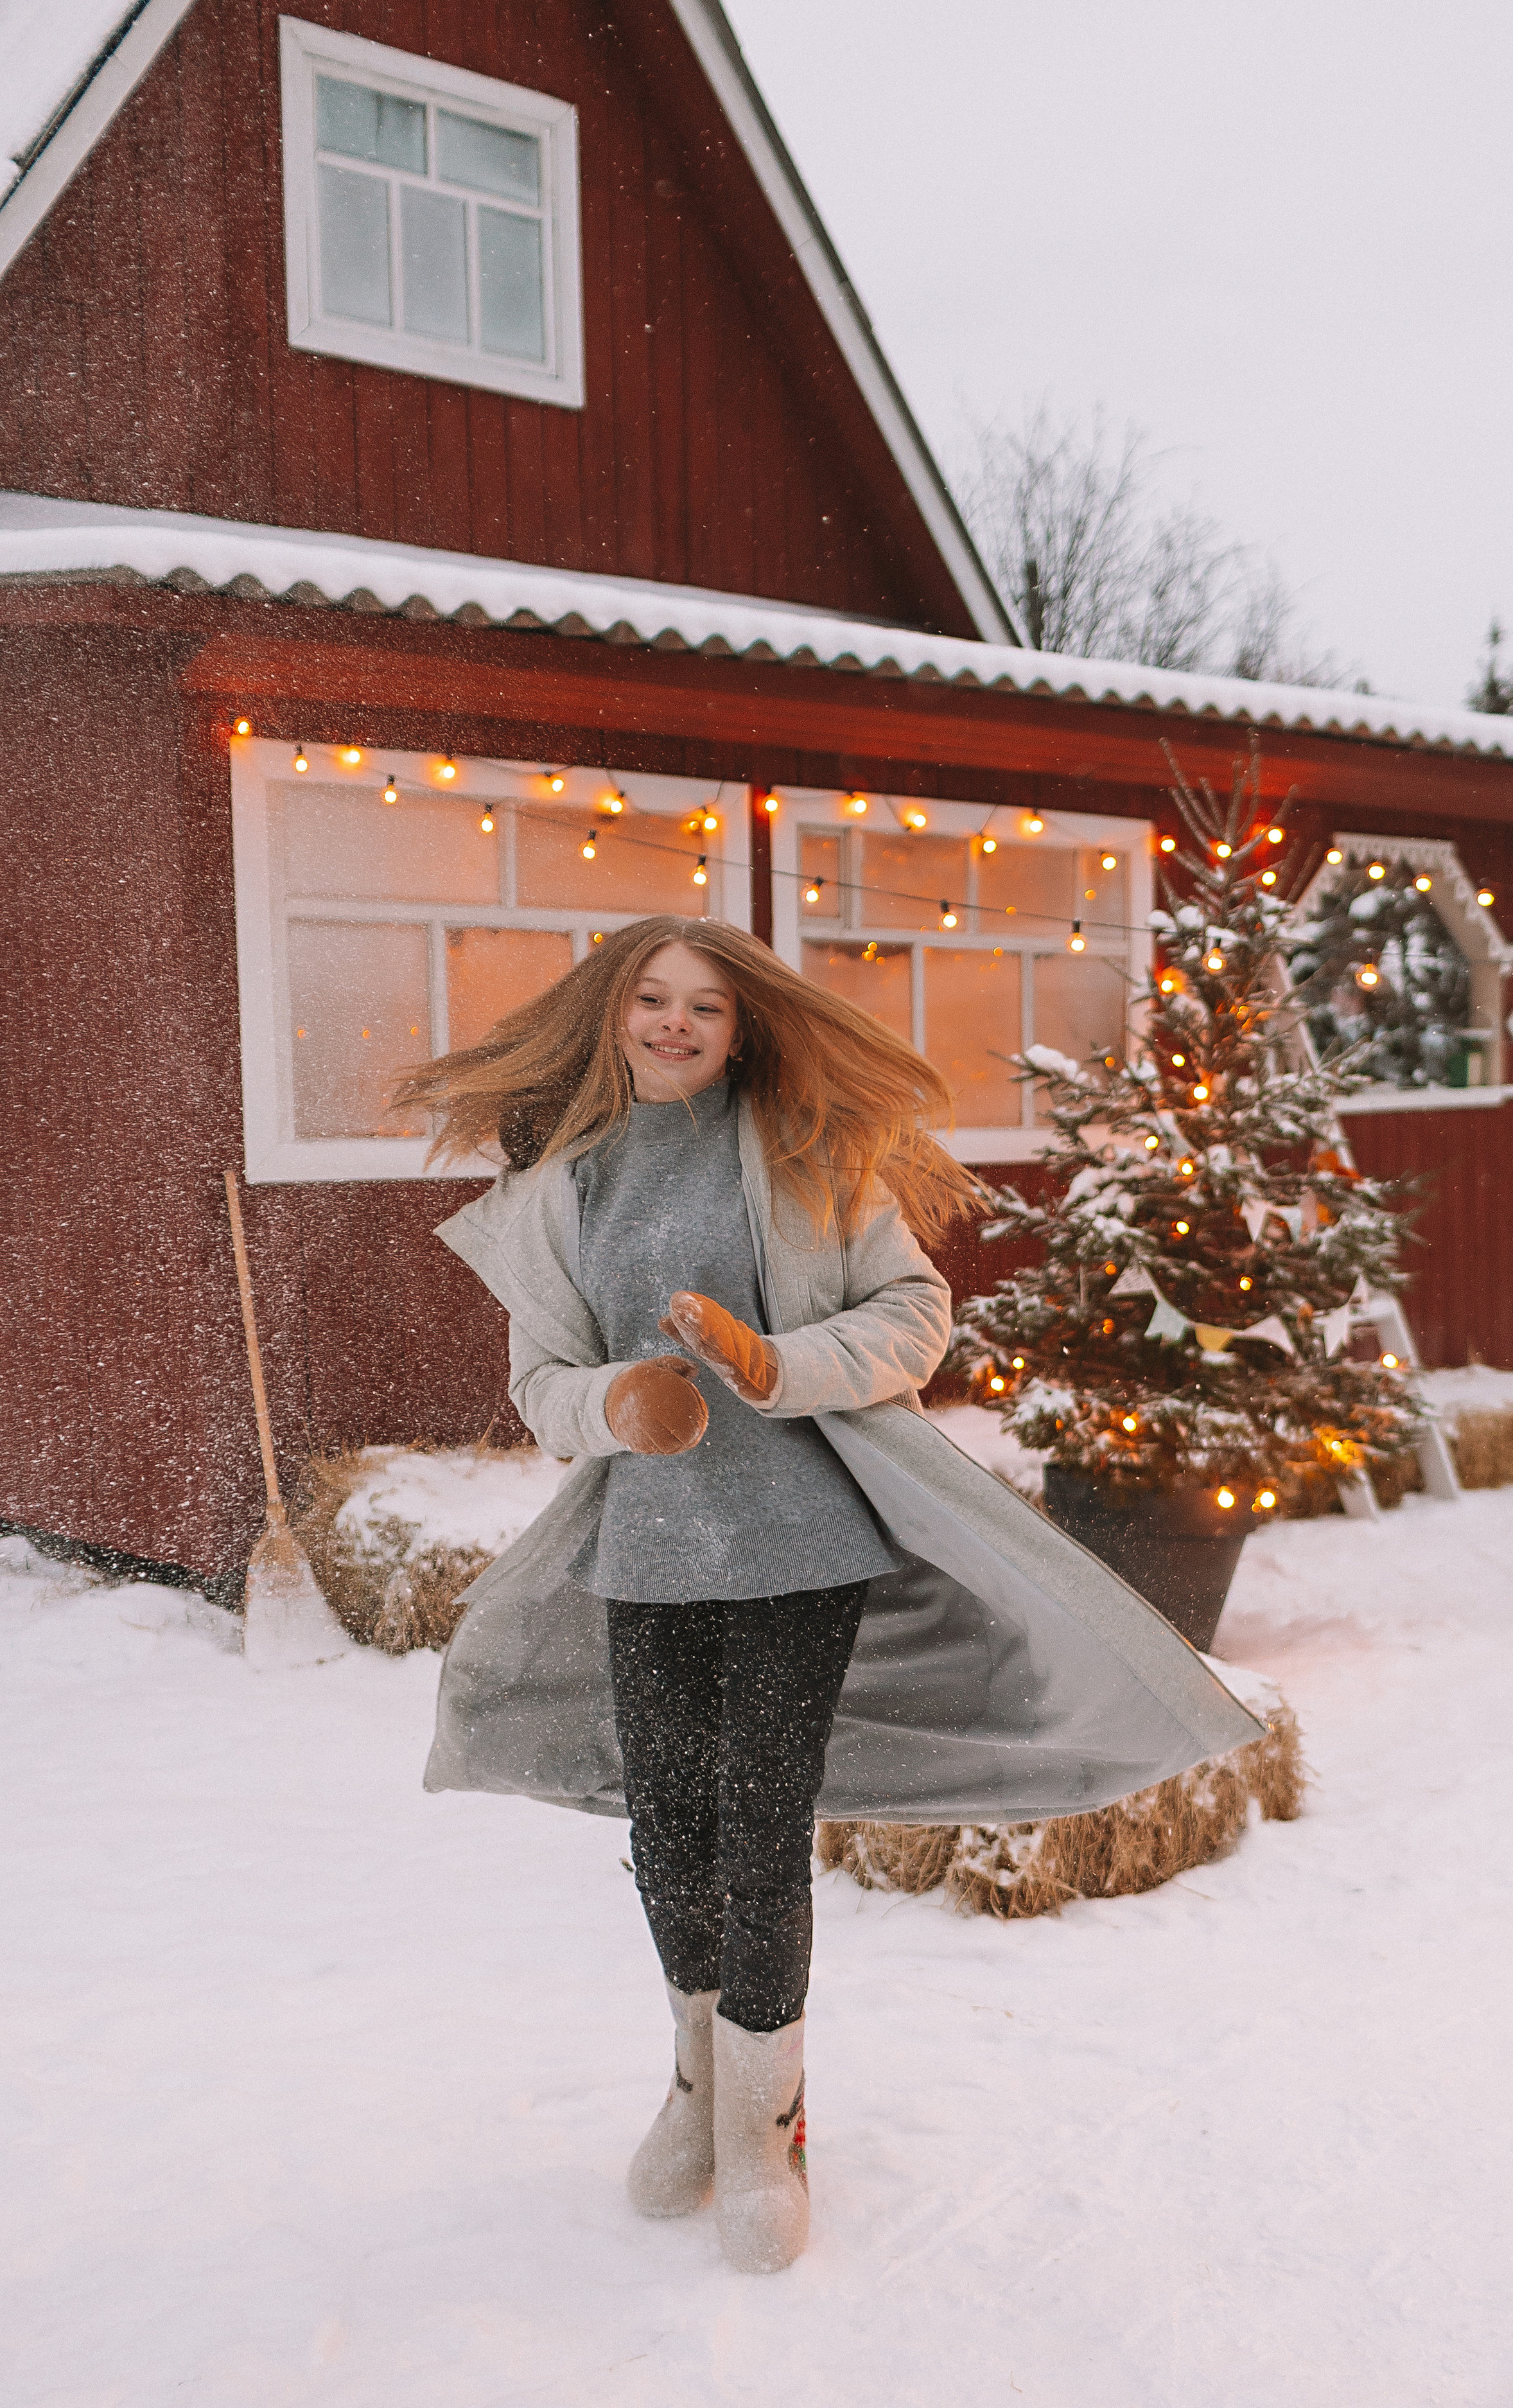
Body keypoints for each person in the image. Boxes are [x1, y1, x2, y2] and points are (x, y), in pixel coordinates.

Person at [398, 912, 1263, 2276]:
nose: (675, 1024)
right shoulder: (562, 1186)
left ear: (741, 1029)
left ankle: (768, 2126)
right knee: (665, 1823)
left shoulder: (806, 1158)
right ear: (608, 1016)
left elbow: (915, 1316)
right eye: (651, 1000)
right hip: (647, 1550)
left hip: (802, 1541)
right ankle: (698, 2084)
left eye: (705, 1007)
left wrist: (769, 1363)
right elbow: (540, 1387)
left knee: (758, 1826)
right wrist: (621, 1400)